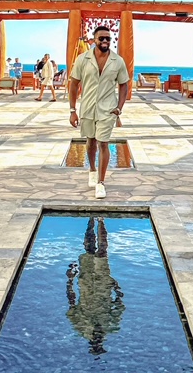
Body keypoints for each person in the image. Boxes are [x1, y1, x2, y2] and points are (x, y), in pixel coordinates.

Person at [69, 25, 129, 199]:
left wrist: (119, 107)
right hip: (87, 107)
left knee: (103, 142)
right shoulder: (82, 59)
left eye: (108, 39)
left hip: (107, 109)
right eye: (101, 38)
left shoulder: (118, 61)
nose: (104, 41)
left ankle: (101, 183)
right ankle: (92, 170)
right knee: (91, 141)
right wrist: (72, 110)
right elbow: (73, 84)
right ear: (94, 40)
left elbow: (123, 84)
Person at [66, 217, 125, 357]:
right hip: (102, 286)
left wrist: (70, 281)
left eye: (95, 344)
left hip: (86, 284)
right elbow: (119, 306)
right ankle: (99, 221)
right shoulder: (111, 326)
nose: (97, 341)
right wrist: (116, 288)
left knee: (89, 249)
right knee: (100, 252)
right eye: (98, 344)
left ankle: (94, 220)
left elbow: (72, 303)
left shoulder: (80, 327)